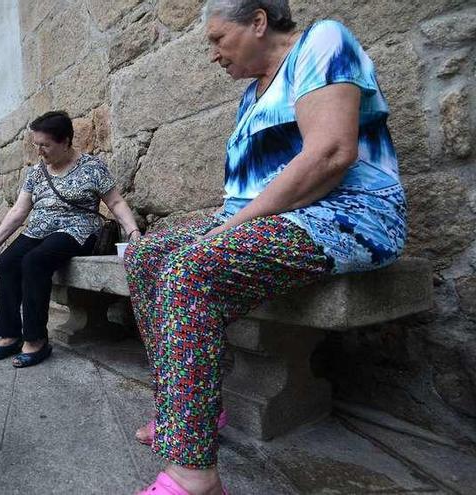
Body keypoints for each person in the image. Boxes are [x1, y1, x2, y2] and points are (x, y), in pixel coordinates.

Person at [125, 1, 407, 493]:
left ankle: (193, 474)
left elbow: (330, 154)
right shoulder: (252, 93)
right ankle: (192, 413)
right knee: (148, 255)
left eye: (217, 39)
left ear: (258, 21)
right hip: (266, 216)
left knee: (192, 268)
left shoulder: (323, 41)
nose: (213, 55)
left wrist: (227, 230)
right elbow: (251, 186)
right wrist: (224, 223)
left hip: (342, 212)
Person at [0, 110, 141, 368]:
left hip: (78, 230)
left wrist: (133, 232)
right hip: (39, 229)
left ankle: (36, 340)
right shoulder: (36, 173)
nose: (39, 151)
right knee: (6, 262)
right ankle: (10, 335)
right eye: (36, 144)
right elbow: (19, 211)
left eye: (45, 145)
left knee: (34, 262)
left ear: (66, 141)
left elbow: (115, 201)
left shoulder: (92, 168)